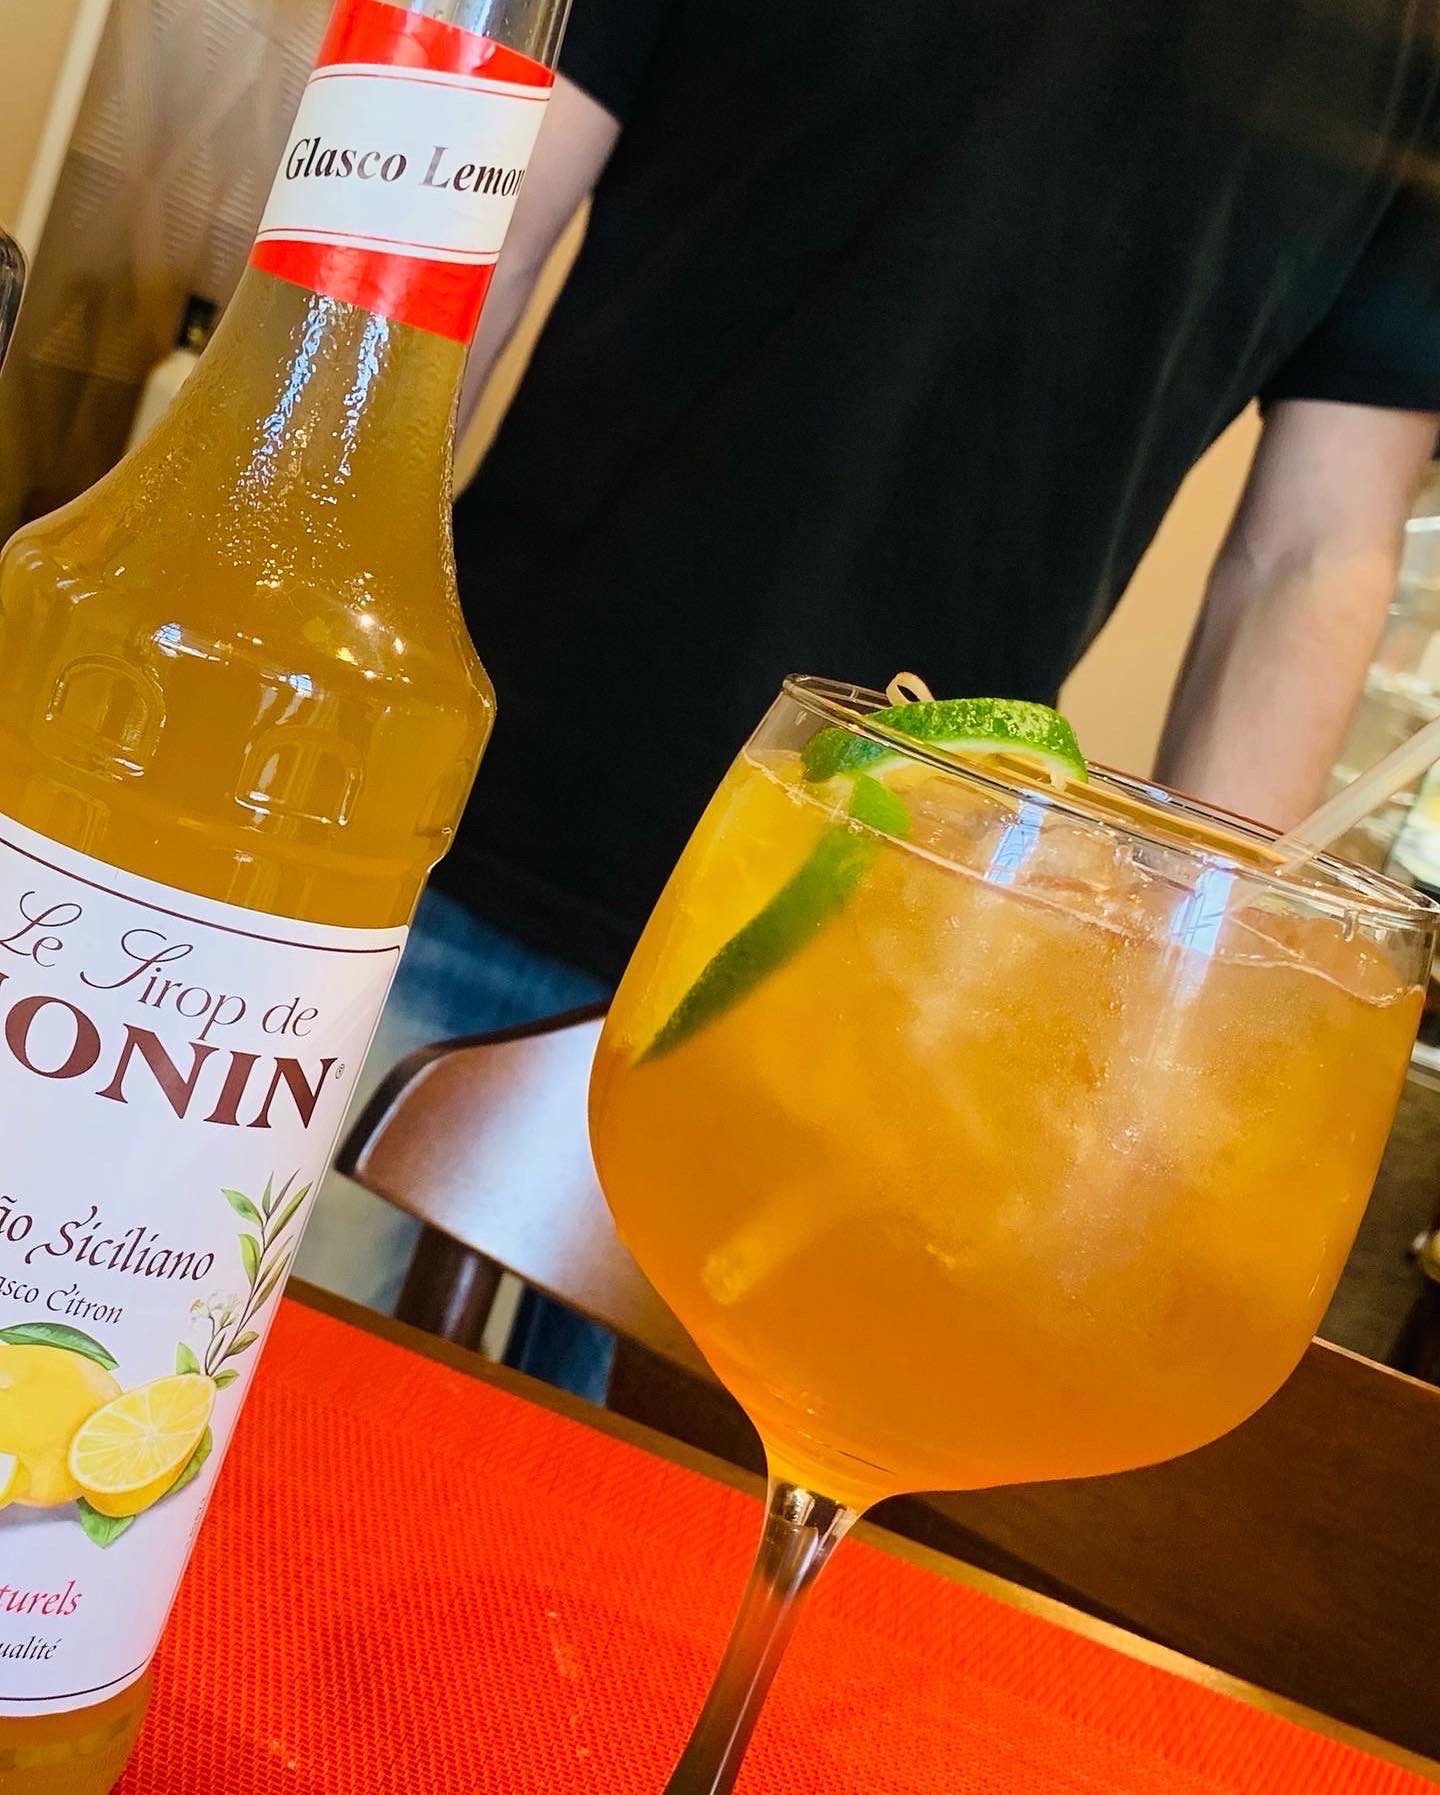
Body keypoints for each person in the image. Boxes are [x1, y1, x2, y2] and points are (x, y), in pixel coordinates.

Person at [296, 0, 1440, 1392]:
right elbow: (470, 226)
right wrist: (289, 643)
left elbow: (1316, 553)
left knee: (659, 1507)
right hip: (459, 811)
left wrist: (1174, 999)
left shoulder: (1415, 51)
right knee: (238, 1413)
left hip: (875, 963)